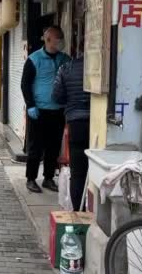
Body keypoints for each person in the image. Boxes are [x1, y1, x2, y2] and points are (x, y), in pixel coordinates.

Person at [20, 26, 71, 193]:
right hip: (39, 111)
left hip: (58, 111)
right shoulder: (34, 59)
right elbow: (25, 84)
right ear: (48, 40)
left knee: (53, 147)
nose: (61, 42)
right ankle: (31, 178)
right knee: (36, 147)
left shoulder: (65, 59)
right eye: (59, 39)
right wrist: (31, 105)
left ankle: (48, 178)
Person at [52, 45, 90, 211]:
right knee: (97, 171)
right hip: (100, 123)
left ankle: (78, 213)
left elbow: (57, 96)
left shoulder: (66, 68)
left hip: (76, 122)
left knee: (78, 173)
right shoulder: (106, 65)